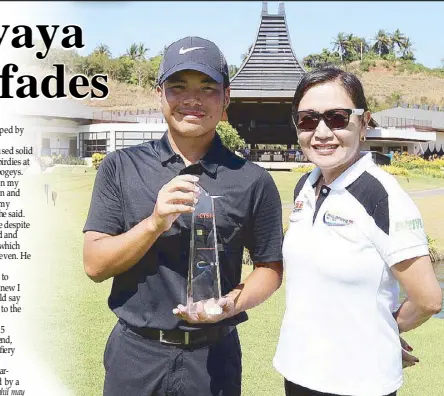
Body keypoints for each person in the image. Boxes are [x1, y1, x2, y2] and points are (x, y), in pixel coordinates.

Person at [82, 36, 283, 396]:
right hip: (136, 354)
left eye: (207, 88)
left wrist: (229, 305)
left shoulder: (254, 180)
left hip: (214, 357)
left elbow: (270, 268)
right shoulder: (121, 167)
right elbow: (95, 265)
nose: (192, 100)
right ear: (160, 94)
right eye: (178, 87)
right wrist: (155, 223)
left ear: (226, 98)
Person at [273, 67, 442, 396]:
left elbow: (429, 299)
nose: (322, 132)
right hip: (298, 370)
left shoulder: (381, 196)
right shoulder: (304, 188)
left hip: (357, 381)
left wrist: (383, 331)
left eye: (337, 118)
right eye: (308, 119)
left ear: (364, 123)